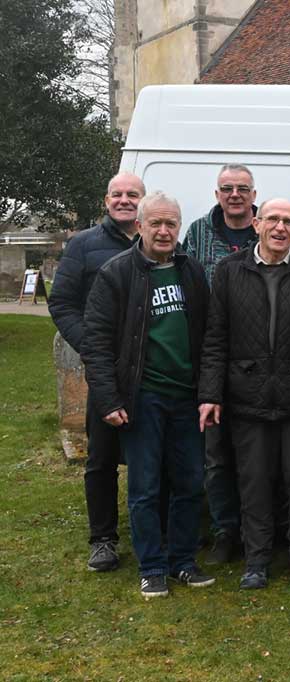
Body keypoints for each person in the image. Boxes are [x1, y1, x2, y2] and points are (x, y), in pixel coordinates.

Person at [198, 198, 290, 594]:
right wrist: (210, 393)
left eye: (288, 222)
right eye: (273, 219)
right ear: (256, 223)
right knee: (253, 483)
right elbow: (215, 337)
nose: (280, 227)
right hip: (247, 396)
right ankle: (256, 561)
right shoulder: (228, 271)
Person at [80, 191, 211, 599]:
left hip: (186, 397)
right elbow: (97, 343)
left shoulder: (190, 271)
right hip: (143, 397)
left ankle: (183, 561)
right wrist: (109, 398)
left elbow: (208, 335)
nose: (164, 230)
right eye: (155, 222)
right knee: (145, 486)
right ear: (140, 226)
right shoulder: (117, 273)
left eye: (171, 223)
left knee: (190, 482)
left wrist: (207, 391)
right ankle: (152, 567)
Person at [49, 172, 146, 573]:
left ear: (144, 200)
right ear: (106, 200)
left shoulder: (156, 242)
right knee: (102, 458)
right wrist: (90, 346)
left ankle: (152, 530)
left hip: (148, 368)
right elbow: (62, 302)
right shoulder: (84, 244)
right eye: (117, 194)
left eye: (132, 195)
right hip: (105, 370)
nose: (124, 200)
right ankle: (103, 539)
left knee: (149, 456)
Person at [182, 163, 259, 564]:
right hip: (210, 359)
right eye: (227, 188)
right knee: (214, 456)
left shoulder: (267, 231)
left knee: (254, 455)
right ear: (217, 194)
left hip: (258, 363)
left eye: (242, 188)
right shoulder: (197, 233)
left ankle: (257, 532)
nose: (234, 194)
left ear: (253, 194)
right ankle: (224, 531)